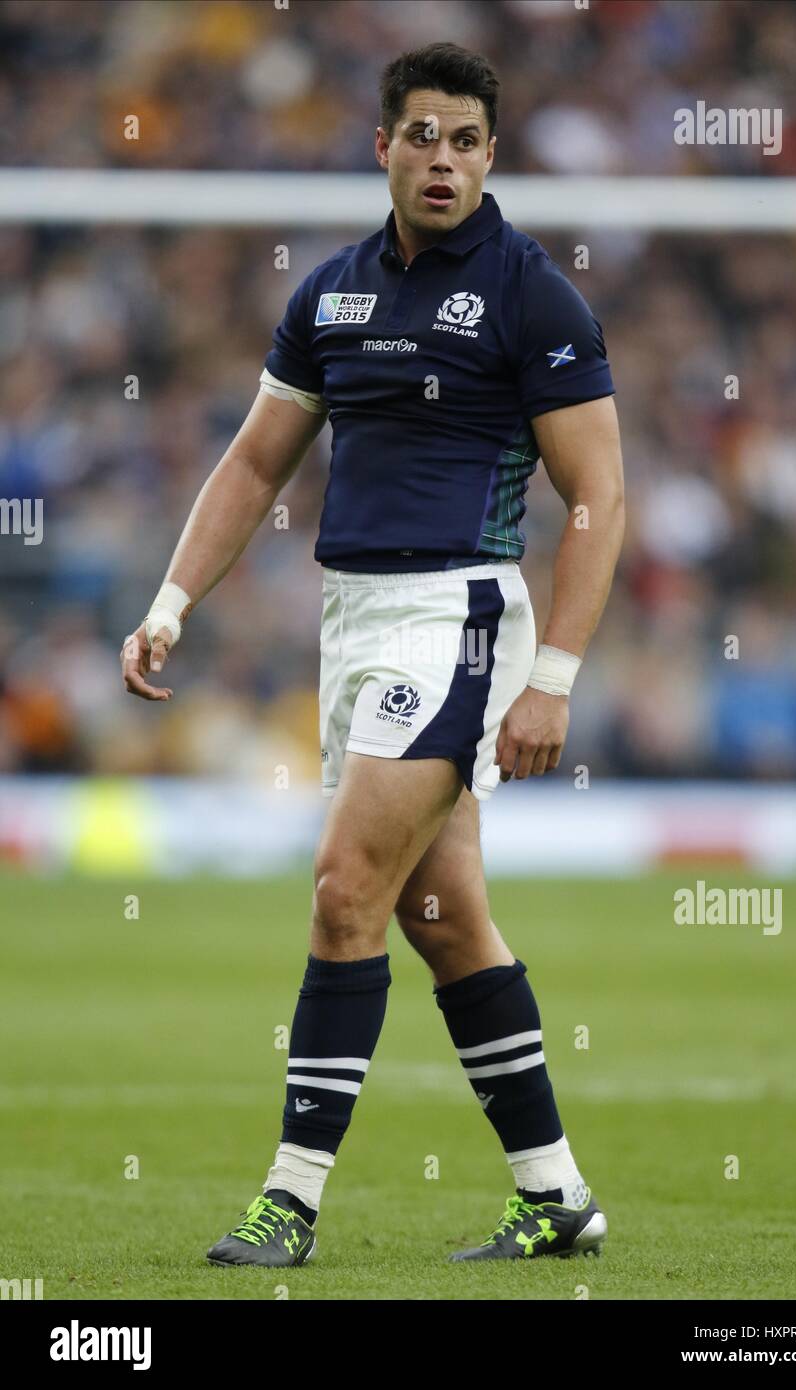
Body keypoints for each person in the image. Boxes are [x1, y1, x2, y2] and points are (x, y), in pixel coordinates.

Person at [121, 42, 624, 1267]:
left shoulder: (530, 295)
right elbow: (254, 463)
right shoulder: (332, 292)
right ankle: (554, 1196)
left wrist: (552, 674)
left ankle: (287, 1201)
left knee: (345, 886)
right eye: (421, 137)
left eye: (464, 140)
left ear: (490, 156)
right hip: (348, 620)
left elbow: (598, 495)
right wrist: (174, 597)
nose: (441, 160)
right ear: (382, 146)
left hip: (454, 617)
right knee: (444, 916)